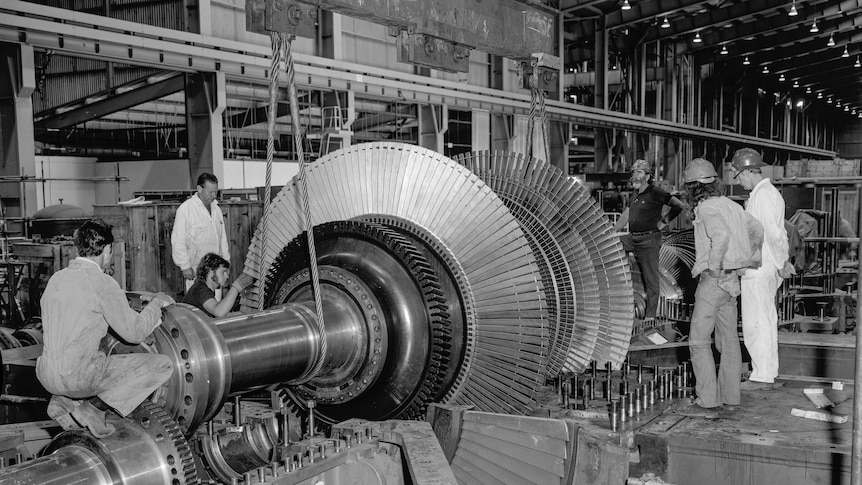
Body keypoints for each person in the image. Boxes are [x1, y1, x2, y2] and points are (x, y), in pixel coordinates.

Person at [37, 220, 175, 437]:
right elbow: (134, 333)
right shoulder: (102, 283)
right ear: (108, 249)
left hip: (46, 374)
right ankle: (94, 410)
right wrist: (156, 304)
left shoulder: (57, 278)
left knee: (92, 356)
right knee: (162, 365)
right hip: (77, 377)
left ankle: (64, 401)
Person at [673, 158, 764, 418]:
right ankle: (730, 396)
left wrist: (714, 267)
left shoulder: (707, 209)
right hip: (731, 282)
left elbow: (720, 236)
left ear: (691, 188)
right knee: (729, 341)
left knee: (699, 341)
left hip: (714, 281)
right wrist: (749, 259)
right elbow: (757, 229)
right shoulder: (731, 205)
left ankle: (707, 399)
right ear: (714, 182)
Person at [731, 148, 791, 389]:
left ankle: (762, 373)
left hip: (760, 267)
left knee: (756, 320)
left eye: (738, 175)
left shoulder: (763, 195)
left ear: (746, 171)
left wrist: (780, 263)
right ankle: (767, 369)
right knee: (765, 318)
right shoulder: (764, 193)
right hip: (764, 265)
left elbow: (774, 235)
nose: (739, 181)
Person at [613, 159, 687, 319]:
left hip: (649, 240)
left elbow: (678, 205)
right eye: (633, 172)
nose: (634, 176)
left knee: (651, 279)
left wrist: (663, 223)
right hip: (633, 238)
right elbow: (626, 214)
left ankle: (650, 316)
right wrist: (612, 232)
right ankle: (618, 289)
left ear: (648, 176)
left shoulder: (657, 192)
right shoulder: (635, 193)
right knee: (610, 246)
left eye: (638, 172)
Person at [171, 173, 230, 291]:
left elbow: (222, 238)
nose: (214, 196)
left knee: (214, 304)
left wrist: (226, 261)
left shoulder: (216, 209)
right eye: (210, 192)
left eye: (216, 192)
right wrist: (185, 266)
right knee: (197, 304)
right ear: (199, 189)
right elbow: (178, 241)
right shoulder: (186, 209)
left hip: (216, 269)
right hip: (195, 269)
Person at [182, 253, 254, 317]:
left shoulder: (203, 288)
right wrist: (236, 287)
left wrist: (243, 314)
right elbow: (219, 312)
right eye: (223, 272)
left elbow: (217, 314)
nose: (227, 277)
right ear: (211, 272)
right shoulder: (200, 290)